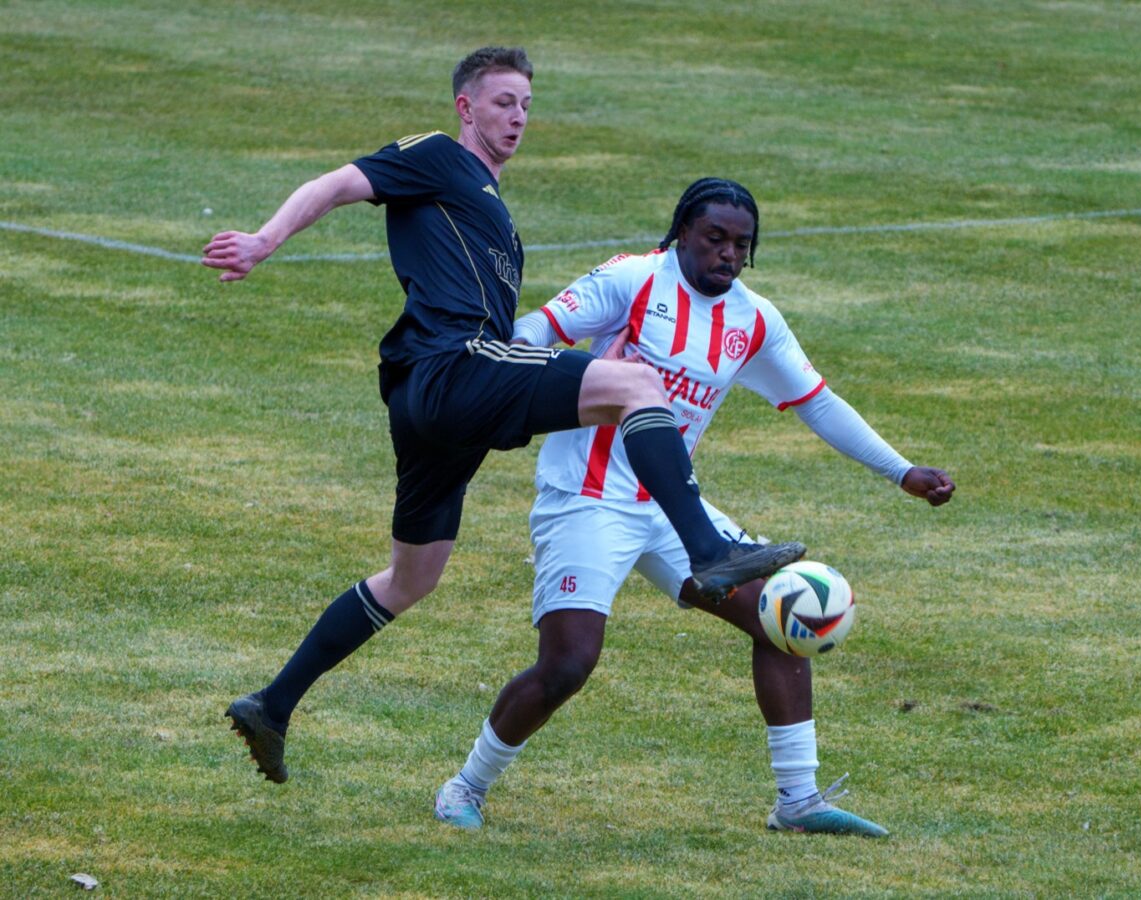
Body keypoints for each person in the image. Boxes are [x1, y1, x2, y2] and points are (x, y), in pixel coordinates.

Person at [202, 50, 804, 785]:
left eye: (525, 105)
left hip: (435, 406)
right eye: (502, 102)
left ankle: (272, 705)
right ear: (465, 108)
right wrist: (264, 241)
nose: (517, 118)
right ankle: (707, 550)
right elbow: (338, 184)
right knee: (638, 384)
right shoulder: (438, 156)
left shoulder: (491, 209)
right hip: (455, 366)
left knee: (410, 578)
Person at [434, 177, 955, 835]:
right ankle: (465, 786)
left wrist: (901, 471)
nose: (728, 254)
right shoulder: (630, 281)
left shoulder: (754, 320)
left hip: (674, 509)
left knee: (782, 612)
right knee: (568, 663)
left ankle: (798, 801)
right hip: (585, 501)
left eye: (742, 244)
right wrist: (572, 373)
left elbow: (818, 402)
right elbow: (529, 332)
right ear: (682, 231)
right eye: (714, 238)